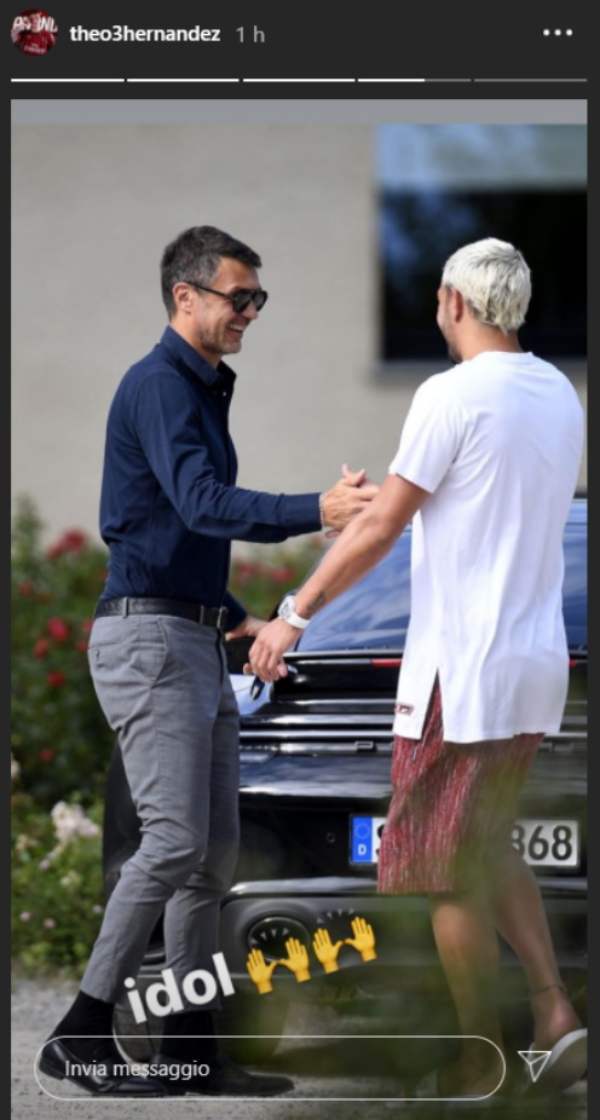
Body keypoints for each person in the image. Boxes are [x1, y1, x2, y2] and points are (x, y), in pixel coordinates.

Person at [40, 225, 377, 1098]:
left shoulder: (196, 391)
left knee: (211, 857)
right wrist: (317, 509)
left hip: (190, 639)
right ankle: (80, 1032)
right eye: (239, 297)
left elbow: (168, 536)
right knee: (173, 842)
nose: (250, 312)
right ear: (185, 295)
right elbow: (201, 504)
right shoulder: (159, 385)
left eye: (258, 299)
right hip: (150, 645)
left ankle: (190, 1049)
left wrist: (240, 620)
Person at [248, 237, 587, 1098]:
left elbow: (382, 527)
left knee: (443, 869)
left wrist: (294, 614)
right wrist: (386, 503)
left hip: (461, 675)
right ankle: (554, 1013)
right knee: (485, 842)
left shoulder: (450, 394)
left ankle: (481, 1062)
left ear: (453, 303)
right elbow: (469, 502)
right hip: (530, 668)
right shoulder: (559, 394)